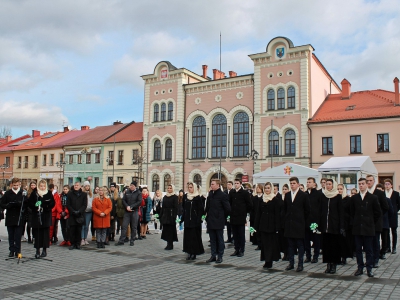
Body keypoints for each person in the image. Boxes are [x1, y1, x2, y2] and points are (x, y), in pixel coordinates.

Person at [350, 177, 381, 277]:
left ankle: (369, 268)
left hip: (368, 228)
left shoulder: (373, 197)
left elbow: (377, 213)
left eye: (363, 183)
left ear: (367, 184)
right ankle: (360, 267)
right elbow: (351, 212)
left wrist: (370, 222)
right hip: (357, 228)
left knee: (369, 249)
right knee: (358, 249)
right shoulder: (354, 198)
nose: (361, 185)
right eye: (359, 184)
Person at [283, 177, 310, 272]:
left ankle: (300, 264)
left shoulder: (303, 195)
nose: (292, 185)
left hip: (299, 224)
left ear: (298, 184)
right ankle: (291, 263)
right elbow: (285, 209)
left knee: (300, 245)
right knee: (290, 245)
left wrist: (303, 222)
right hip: (289, 224)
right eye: (291, 183)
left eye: (294, 183)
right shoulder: (287, 195)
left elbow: (307, 210)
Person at [255, 182, 281, 269]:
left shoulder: (275, 199)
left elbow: (277, 214)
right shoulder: (261, 199)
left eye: (268, 188)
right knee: (264, 244)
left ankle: (270, 261)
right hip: (263, 224)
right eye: (265, 188)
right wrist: (256, 226)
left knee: (271, 244)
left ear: (272, 189)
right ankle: (266, 260)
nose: (267, 190)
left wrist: (278, 226)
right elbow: (258, 213)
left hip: (272, 225)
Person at [320, 179, 343, 274]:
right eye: (326, 184)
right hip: (325, 226)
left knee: (334, 246)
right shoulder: (323, 196)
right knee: (326, 246)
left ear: (333, 185)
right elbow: (320, 210)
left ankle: (334, 265)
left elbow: (341, 212)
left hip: (335, 226)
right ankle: (328, 264)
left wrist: (341, 226)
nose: (328, 186)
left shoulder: (338, 196)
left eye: (330, 184)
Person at [205, 179, 231, 263]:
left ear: (218, 185)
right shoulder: (210, 194)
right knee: (212, 239)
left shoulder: (222, 195)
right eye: (211, 184)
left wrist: (222, 217)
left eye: (213, 184)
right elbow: (207, 207)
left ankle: (220, 256)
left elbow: (228, 209)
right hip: (211, 220)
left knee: (219, 239)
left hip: (219, 221)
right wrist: (206, 216)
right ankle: (213, 255)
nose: (211, 185)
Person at [28, 180, 55, 259]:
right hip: (37, 216)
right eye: (41, 186)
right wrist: (35, 207)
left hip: (46, 216)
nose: (42, 188)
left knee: (45, 234)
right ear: (38, 186)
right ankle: (37, 250)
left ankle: (44, 250)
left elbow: (52, 203)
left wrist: (45, 206)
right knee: (37, 234)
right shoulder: (34, 193)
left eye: (43, 186)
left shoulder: (49, 193)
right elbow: (30, 203)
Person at [366, 175, 388, 268]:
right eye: (367, 181)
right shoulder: (364, 193)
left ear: (374, 181)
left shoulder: (379, 193)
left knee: (375, 242)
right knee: (368, 243)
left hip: (376, 222)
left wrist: (378, 217)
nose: (369, 182)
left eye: (370, 180)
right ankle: (369, 260)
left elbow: (385, 207)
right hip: (366, 223)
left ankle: (375, 260)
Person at [0, 178, 24, 257]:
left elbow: (26, 204)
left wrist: (21, 204)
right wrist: (7, 205)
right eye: (14, 185)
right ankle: (11, 250)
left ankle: (18, 251)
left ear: (19, 184)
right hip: (10, 216)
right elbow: (2, 203)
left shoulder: (22, 193)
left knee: (18, 235)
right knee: (11, 235)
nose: (16, 187)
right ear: (11, 185)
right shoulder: (7, 193)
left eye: (17, 185)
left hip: (19, 217)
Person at [229, 178, 252, 257]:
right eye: (235, 183)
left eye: (237, 183)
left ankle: (242, 250)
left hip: (241, 217)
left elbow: (249, 204)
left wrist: (244, 212)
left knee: (241, 234)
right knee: (235, 234)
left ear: (240, 184)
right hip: (233, 216)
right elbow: (229, 203)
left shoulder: (244, 193)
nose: (236, 185)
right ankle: (236, 249)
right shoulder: (232, 192)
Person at [182, 182, 205, 260]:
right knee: (187, 237)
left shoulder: (197, 197)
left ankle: (194, 253)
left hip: (195, 221)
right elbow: (183, 208)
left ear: (194, 188)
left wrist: (198, 219)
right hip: (187, 220)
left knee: (194, 237)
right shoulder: (185, 197)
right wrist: (182, 218)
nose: (189, 189)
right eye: (189, 187)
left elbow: (201, 209)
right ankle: (188, 252)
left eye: (191, 187)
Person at [115, 181, 141, 246]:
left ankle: (132, 240)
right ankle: (121, 240)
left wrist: (132, 206)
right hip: (127, 212)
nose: (131, 187)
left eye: (132, 185)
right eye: (130, 185)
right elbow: (123, 200)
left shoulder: (138, 193)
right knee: (124, 226)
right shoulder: (127, 192)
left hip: (134, 211)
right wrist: (127, 206)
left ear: (135, 186)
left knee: (133, 227)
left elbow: (139, 202)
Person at [304, 177, 322, 264]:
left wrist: (318, 222)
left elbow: (320, 209)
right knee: (306, 239)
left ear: (314, 184)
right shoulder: (304, 194)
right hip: (306, 221)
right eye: (307, 182)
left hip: (314, 221)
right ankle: (308, 256)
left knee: (315, 239)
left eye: (310, 182)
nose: (308, 183)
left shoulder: (318, 194)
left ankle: (315, 256)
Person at [66, 182, 88, 250]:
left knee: (79, 230)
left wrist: (79, 211)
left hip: (80, 215)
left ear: (80, 186)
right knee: (72, 230)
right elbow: (68, 204)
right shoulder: (70, 194)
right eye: (75, 185)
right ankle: (72, 244)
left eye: (77, 185)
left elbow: (85, 205)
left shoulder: (84, 194)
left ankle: (78, 244)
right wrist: (72, 211)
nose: (76, 186)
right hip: (72, 215)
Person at [375, 183, 393, 259]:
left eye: (380, 190)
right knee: (376, 239)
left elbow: (390, 211)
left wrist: (387, 219)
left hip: (384, 221)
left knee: (384, 238)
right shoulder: (373, 199)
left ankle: (383, 252)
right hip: (376, 222)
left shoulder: (387, 200)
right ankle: (377, 252)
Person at [337, 184, 353, 265]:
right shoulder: (335, 199)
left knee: (345, 242)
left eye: (341, 189)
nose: (339, 190)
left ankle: (344, 257)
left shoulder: (348, 199)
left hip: (346, 224)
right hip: (337, 223)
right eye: (338, 189)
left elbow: (351, 212)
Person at [160, 184, 178, 250]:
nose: (169, 189)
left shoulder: (175, 197)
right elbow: (163, 207)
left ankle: (171, 244)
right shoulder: (165, 197)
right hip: (165, 215)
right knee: (166, 229)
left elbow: (176, 207)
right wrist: (161, 215)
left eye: (170, 188)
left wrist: (174, 216)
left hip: (171, 215)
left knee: (171, 230)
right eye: (168, 188)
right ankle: (168, 243)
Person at [385, 179, 400, 254]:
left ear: (391, 185)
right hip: (386, 215)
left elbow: (399, 204)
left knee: (394, 231)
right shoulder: (383, 193)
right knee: (386, 232)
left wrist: (395, 210)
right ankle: (388, 247)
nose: (387, 185)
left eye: (388, 184)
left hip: (393, 215)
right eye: (386, 184)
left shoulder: (396, 193)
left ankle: (394, 247)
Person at [250, 184, 263, 249]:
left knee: (260, 231)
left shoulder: (263, 197)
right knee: (254, 229)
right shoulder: (254, 197)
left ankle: (261, 243)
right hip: (254, 216)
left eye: (259, 188)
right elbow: (251, 207)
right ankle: (254, 240)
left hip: (261, 217)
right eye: (257, 188)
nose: (257, 189)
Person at [81, 181, 93, 246]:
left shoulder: (91, 194)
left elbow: (92, 201)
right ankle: (82, 238)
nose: (87, 187)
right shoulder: (82, 193)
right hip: (83, 211)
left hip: (89, 211)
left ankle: (85, 238)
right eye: (86, 186)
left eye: (88, 186)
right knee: (82, 226)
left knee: (87, 226)